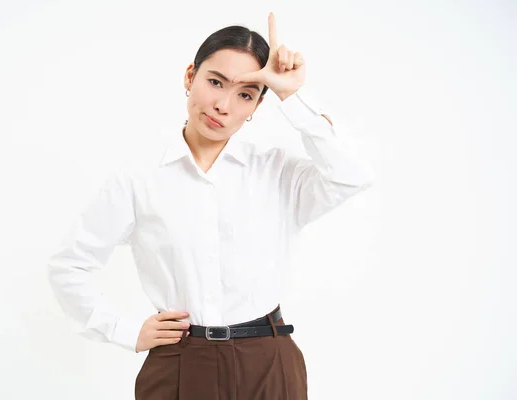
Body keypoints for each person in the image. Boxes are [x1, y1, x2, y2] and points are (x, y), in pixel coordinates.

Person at [47, 12, 375, 400]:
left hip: (269, 361)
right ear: (190, 77)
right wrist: (125, 330)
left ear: (256, 106)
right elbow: (70, 266)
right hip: (180, 363)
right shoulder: (139, 179)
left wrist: (291, 96)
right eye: (215, 82)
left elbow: (351, 175)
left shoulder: (277, 172)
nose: (223, 105)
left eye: (245, 94)